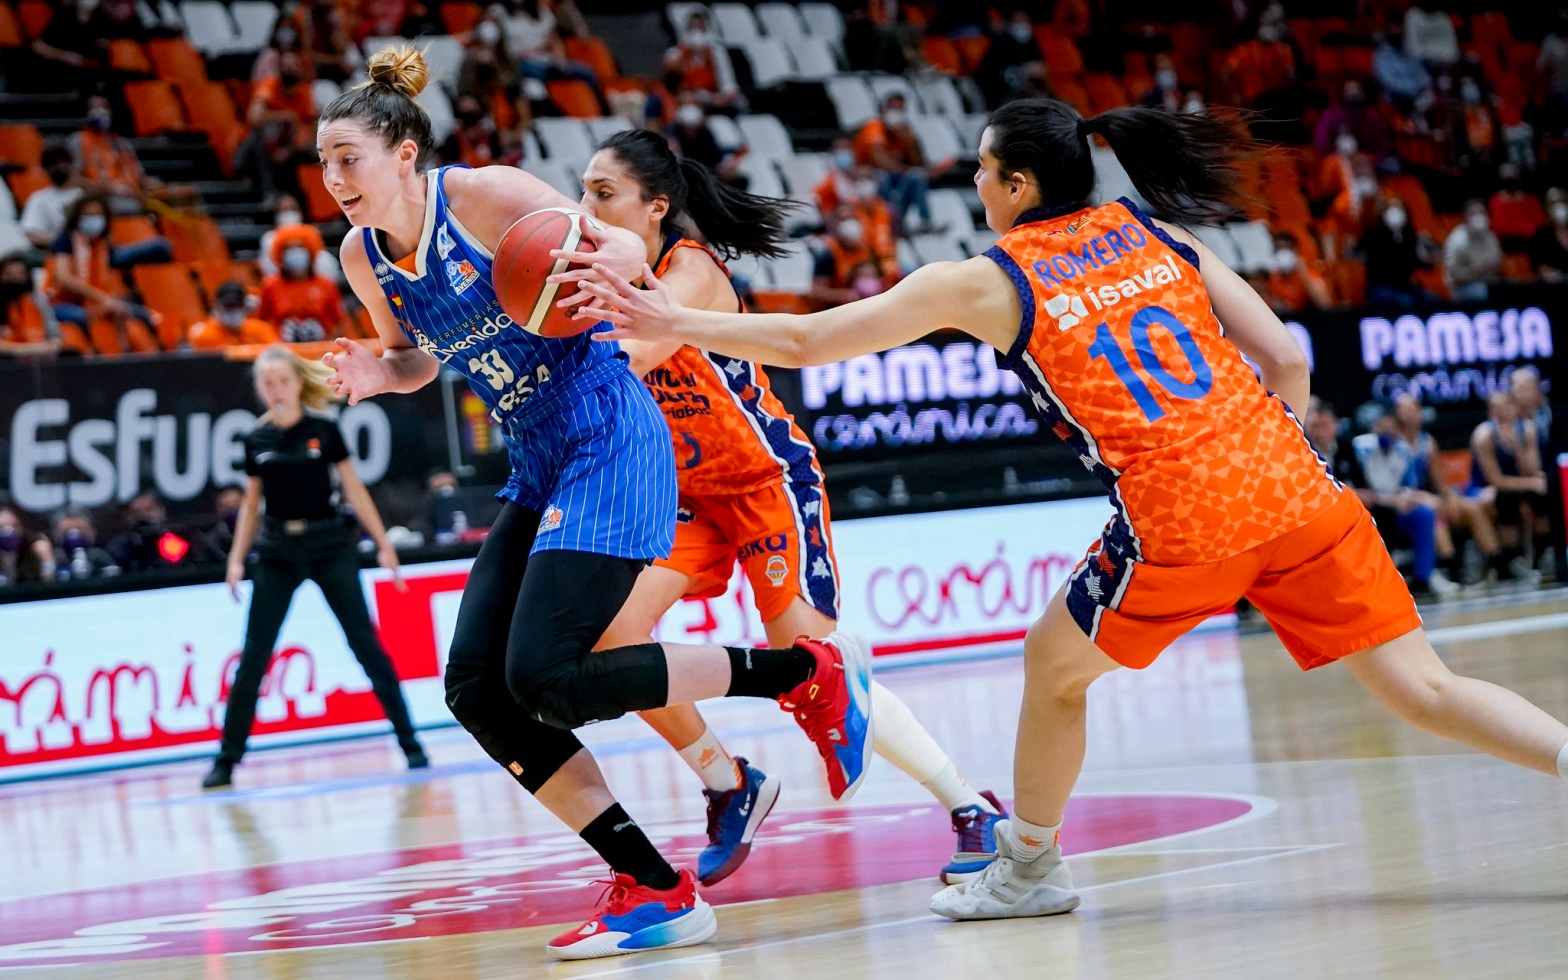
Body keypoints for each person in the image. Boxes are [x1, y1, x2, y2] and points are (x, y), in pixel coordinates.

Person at [568, 96, 1568, 924]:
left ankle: (1030, 866)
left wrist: (672, 317)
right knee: (1424, 689)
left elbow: (810, 342)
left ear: (1015, 185)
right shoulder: (1159, 231)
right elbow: (1285, 357)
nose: (972, 184)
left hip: (1183, 512)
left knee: (1052, 667)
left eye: (979, 170)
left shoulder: (988, 278)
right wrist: (1278, 457)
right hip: (1299, 487)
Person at [314, 47, 875, 960]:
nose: (335, 178)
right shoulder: (360, 254)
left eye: (349, 157)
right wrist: (383, 373)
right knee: (478, 690)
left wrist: (606, 261)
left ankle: (802, 674)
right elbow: (414, 356)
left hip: (609, 429)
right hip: (538, 456)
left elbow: (620, 247)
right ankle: (654, 884)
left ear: (405, 154)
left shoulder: (486, 196)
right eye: (324, 162)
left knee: (547, 676)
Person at [579, 128, 1007, 887]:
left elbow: (627, 359)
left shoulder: (690, 271)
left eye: (603, 194)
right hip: (685, 496)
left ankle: (971, 806)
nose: (585, 209)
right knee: (608, 640)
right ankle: (728, 784)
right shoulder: (602, 280)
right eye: (582, 192)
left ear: (656, 207)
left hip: (764, 483)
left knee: (817, 668)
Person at [203, 346, 428, 790]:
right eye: (268, 383)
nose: (276, 390)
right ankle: (226, 760)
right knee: (254, 658)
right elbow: (251, 504)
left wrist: (384, 545)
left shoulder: (324, 430)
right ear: (259, 389)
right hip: (277, 553)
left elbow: (354, 489)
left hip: (329, 546)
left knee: (366, 646)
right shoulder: (256, 439)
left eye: (282, 381)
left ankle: (410, 743)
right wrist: (235, 559)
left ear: (297, 383)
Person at [1391, 391, 1508, 584]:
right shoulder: (1392, 443)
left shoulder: (1426, 441)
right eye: (1404, 410)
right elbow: (1390, 487)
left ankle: (1498, 565)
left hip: (1430, 497)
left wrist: (1452, 498)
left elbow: (1440, 483)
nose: (1409, 414)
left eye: (1413, 409)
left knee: (1471, 508)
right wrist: (1426, 498)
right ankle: (1451, 570)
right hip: (1403, 503)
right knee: (1434, 512)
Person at [46, 193, 161, 355]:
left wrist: (110, 301)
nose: (93, 219)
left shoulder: (102, 245)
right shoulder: (66, 241)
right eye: (88, 215)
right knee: (84, 318)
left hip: (96, 302)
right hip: (60, 304)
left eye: (97, 215)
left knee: (146, 316)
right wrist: (103, 299)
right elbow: (64, 278)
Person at [1469, 390, 1549, 575]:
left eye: (1506, 406)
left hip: (1520, 482)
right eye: (1496, 408)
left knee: (1540, 495)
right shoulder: (1484, 435)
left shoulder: (1527, 429)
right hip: (1485, 487)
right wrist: (1531, 483)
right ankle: (1510, 558)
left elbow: (1532, 469)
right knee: (1504, 498)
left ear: (1514, 408)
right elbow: (1495, 480)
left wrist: (1516, 446)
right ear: (1490, 412)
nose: (1502, 412)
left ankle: (1542, 554)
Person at [854, 93, 954, 234]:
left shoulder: (904, 131)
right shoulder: (874, 127)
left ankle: (925, 222)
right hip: (871, 179)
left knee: (917, 176)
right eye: (893, 109)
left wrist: (910, 142)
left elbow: (918, 162)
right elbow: (880, 161)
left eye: (900, 110)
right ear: (884, 110)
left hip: (897, 178)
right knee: (882, 176)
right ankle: (889, 220)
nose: (896, 114)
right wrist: (906, 170)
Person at [258, 231, 349, 342]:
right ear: (280, 253)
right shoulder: (270, 285)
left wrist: (330, 340)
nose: (295, 252)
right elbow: (262, 322)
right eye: (288, 248)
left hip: (322, 347)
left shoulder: (326, 284)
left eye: (300, 247)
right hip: (283, 348)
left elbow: (340, 322)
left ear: (310, 250)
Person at [1358, 197, 1438, 308]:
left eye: (1399, 209)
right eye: (1391, 209)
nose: (1396, 213)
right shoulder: (1374, 236)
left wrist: (1429, 262)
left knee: (1432, 300)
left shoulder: (1409, 235)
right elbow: (1386, 263)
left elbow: (1414, 260)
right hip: (1381, 287)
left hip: (1404, 286)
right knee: (1406, 302)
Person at [189, 280, 281, 350]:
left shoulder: (261, 330)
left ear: (245, 306)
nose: (233, 311)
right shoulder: (203, 335)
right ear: (217, 306)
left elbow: (278, 354)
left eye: (237, 306)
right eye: (228, 306)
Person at [1443, 200, 1503, 303]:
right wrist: (1476, 270)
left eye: (1481, 212)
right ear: (1465, 218)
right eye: (1473, 213)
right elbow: (1455, 275)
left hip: (1488, 281)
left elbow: (1497, 262)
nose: (1478, 217)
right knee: (1483, 292)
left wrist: (1493, 265)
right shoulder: (1457, 240)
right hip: (1462, 287)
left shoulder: (1490, 237)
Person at [1530, 187, 1568, 283]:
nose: (1559, 208)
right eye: (1553, 204)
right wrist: (1544, 270)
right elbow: (1537, 263)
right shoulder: (1542, 235)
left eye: (1562, 202)